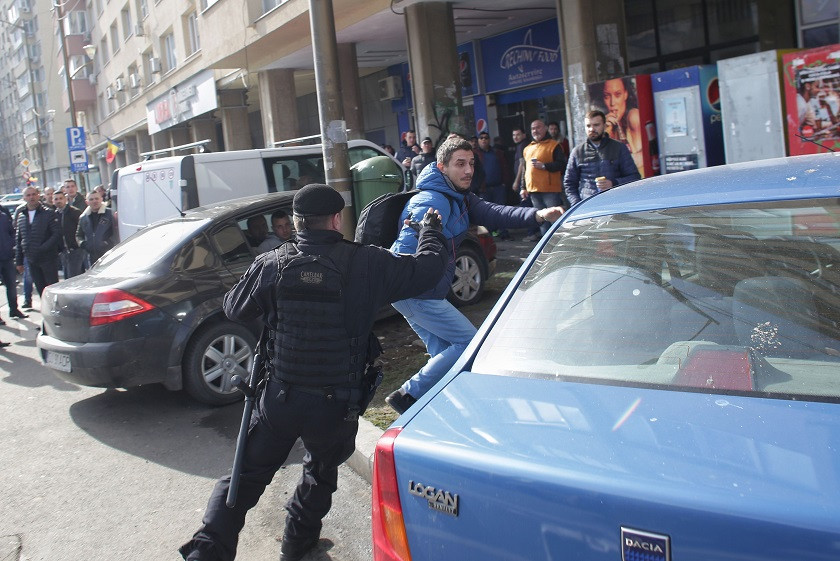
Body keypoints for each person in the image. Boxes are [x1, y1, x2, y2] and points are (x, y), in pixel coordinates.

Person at [179, 184, 449, 561]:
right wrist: (431, 230)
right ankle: (297, 545)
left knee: (245, 477)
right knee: (321, 470)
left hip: (280, 399)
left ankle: (206, 553)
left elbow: (235, 309)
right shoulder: (368, 261)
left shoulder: (271, 262)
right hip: (335, 405)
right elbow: (428, 271)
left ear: (295, 222)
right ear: (337, 219)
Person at [385, 137, 564, 413]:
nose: (468, 170)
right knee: (470, 343)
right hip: (417, 292)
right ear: (442, 167)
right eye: (460, 164)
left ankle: (443, 408)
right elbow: (405, 252)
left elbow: (495, 213)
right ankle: (407, 395)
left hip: (422, 292)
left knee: (445, 355)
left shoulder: (459, 197)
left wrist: (538, 215)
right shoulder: (432, 201)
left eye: (471, 163)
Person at [564, 109, 641, 207]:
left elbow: (634, 177)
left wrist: (613, 183)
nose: (592, 129)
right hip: (589, 207)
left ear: (604, 126)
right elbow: (569, 183)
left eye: (596, 125)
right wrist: (577, 205)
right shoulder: (577, 152)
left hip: (616, 204)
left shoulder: (619, 148)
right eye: (588, 126)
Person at [521, 119, 568, 236]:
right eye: (532, 128)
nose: (535, 130)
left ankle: (558, 245)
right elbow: (525, 170)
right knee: (541, 221)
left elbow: (562, 164)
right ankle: (545, 249)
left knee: (554, 220)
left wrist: (544, 166)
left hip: (550, 190)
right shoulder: (527, 148)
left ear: (545, 128)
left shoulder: (554, 145)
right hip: (533, 191)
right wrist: (523, 187)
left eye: (538, 127)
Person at [15, 186, 60, 299]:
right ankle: (45, 312)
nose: (31, 197)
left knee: (53, 288)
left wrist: (43, 247)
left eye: (33, 194)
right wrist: (19, 261)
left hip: (48, 258)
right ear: (24, 198)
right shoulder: (21, 216)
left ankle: (56, 313)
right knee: (41, 288)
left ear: (38, 195)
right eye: (28, 195)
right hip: (31, 259)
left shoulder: (48, 213)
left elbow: (56, 234)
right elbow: (19, 239)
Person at [601, 77, 643, 176]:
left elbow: (640, 158)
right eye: (607, 96)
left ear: (626, 94)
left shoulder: (633, 116)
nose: (612, 103)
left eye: (617, 94)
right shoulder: (609, 126)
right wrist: (607, 131)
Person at [475, 132, 512, 239]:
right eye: (481, 138)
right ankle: (491, 234)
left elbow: (505, 167)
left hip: (498, 187)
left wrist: (506, 183)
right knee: (487, 212)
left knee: (501, 211)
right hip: (484, 188)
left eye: (486, 138)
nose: (483, 140)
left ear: (489, 140)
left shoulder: (497, 153)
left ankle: (504, 233)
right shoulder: (475, 154)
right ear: (478, 141)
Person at [76, 190, 116, 266]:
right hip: (91, 257)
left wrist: (108, 243)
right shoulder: (83, 218)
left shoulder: (111, 214)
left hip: (109, 254)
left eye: (97, 198)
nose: (94, 201)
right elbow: (78, 235)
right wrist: (83, 244)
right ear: (87, 202)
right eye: (91, 199)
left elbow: (117, 232)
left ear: (101, 199)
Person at [0, 205, 26, 321]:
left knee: (11, 285)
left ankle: (14, 310)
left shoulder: (4, 216)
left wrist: (11, 245)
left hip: (7, 257)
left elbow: (13, 233)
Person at [53, 190, 84, 278]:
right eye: (56, 199)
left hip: (75, 250)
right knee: (67, 277)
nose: (58, 201)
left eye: (61, 198)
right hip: (63, 252)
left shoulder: (75, 212)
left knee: (73, 276)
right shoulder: (54, 215)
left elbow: (82, 229)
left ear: (65, 199)